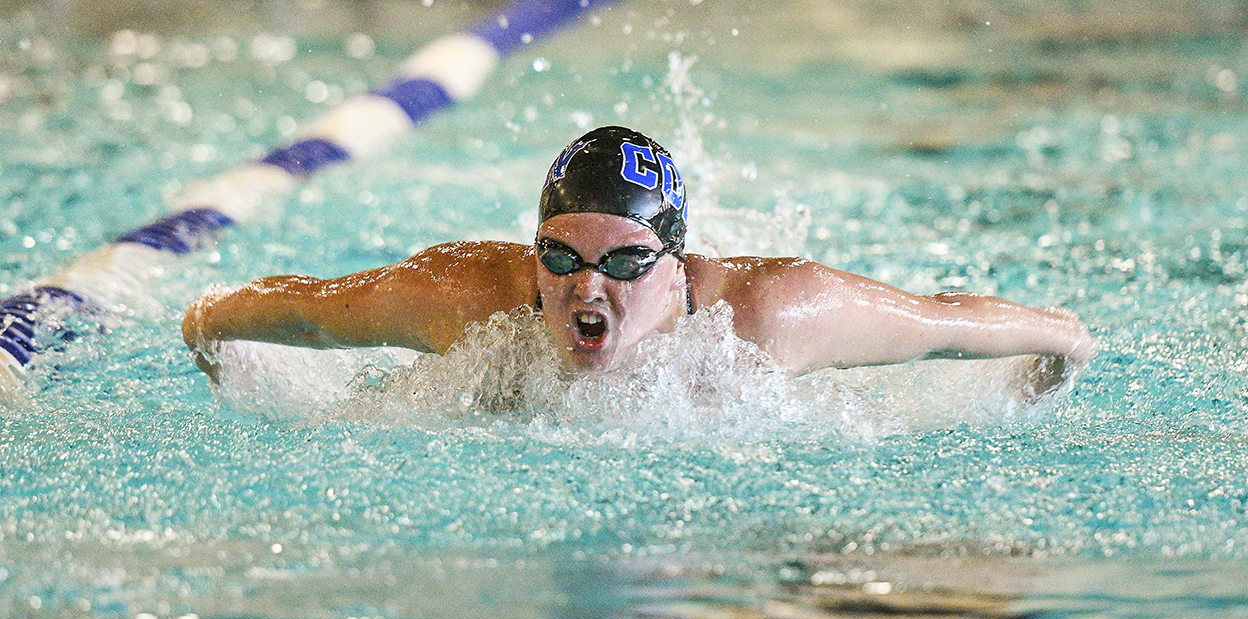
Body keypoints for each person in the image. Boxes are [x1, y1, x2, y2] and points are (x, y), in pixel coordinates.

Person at [183, 126, 1095, 396]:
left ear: (674, 263)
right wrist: (207, 327)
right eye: (561, 257)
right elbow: (307, 308)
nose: (586, 286)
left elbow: (944, 326)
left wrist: (1056, 355)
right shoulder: (468, 296)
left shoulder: (769, 317)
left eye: (623, 261)